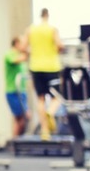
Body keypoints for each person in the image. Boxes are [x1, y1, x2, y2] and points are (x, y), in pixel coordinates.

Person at [20, 8, 64, 141]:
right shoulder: (52, 29)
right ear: (48, 16)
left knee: (40, 99)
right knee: (58, 96)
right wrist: (55, 50)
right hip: (51, 66)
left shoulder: (30, 30)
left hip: (36, 66)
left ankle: (45, 131)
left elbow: (22, 47)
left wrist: (32, 52)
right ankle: (50, 111)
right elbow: (60, 46)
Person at [4, 37, 30, 140]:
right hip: (13, 91)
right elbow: (17, 60)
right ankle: (15, 141)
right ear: (17, 44)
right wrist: (28, 52)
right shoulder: (10, 54)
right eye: (23, 43)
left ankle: (17, 140)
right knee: (21, 117)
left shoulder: (21, 57)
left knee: (22, 118)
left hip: (21, 91)